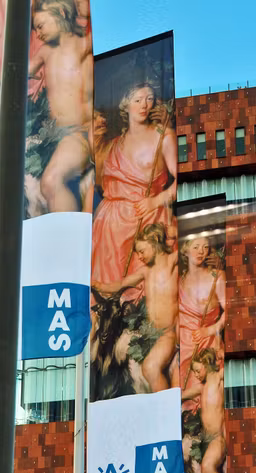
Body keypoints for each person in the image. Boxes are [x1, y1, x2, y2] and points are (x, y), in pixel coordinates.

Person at [91, 81, 177, 305]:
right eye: (138, 100)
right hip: (110, 228)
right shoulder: (113, 145)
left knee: (140, 293)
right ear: (126, 105)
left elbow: (182, 181)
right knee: (105, 293)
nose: (144, 105)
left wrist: (156, 200)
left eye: (149, 99)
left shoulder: (163, 136)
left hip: (146, 219)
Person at [93, 223, 178, 392]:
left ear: (155, 242)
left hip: (167, 334)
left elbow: (186, 246)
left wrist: (172, 231)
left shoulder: (171, 263)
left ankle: (164, 408)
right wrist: (98, 285)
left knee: (150, 368)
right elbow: (122, 283)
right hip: (149, 332)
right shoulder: (146, 272)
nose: (139, 256)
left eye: (142, 251)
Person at [27, 0, 93, 213]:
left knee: (52, 180)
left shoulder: (85, 46)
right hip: (60, 136)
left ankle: (69, 237)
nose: (38, 34)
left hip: (83, 132)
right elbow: (22, 69)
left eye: (41, 25)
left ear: (61, 13)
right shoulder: (46, 52)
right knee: (44, 183)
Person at [179, 237, 226, 389]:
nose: (201, 251)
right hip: (183, 343)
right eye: (196, 247)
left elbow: (230, 311)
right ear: (185, 250)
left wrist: (209, 330)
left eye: (205, 247)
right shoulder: (180, 280)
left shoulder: (216, 276)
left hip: (206, 342)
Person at [189, 347, 226, 473]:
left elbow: (234, 368)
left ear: (207, 364)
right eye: (194, 372)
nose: (196, 375)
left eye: (198, 371)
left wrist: (223, 355)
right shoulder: (201, 388)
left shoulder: (218, 379)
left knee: (207, 467)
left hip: (218, 438)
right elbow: (179, 396)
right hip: (206, 440)